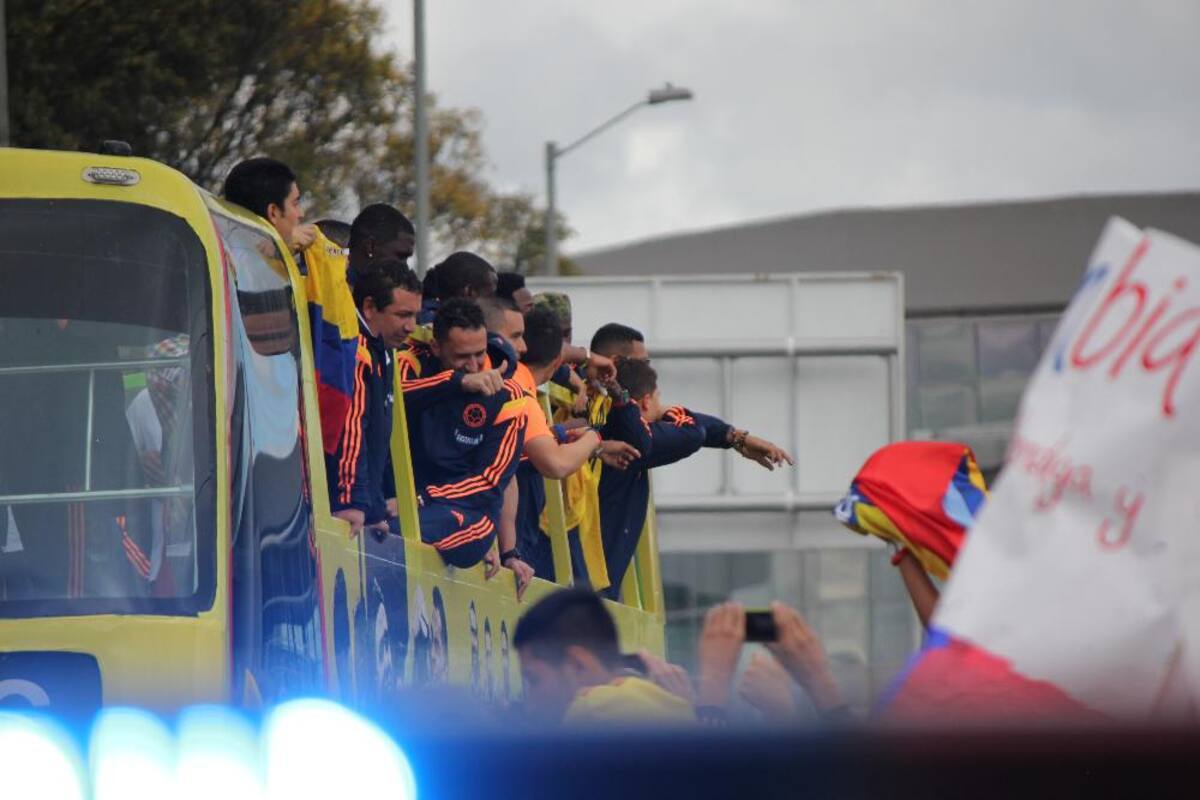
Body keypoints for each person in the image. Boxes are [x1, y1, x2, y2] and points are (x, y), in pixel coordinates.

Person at [480, 299, 638, 580]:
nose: (521, 345)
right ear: (556, 362)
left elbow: (518, 445)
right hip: (482, 530)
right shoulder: (519, 393)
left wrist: (587, 358)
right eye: (515, 336)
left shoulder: (495, 369)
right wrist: (594, 437)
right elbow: (555, 464)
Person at [398, 299, 531, 570]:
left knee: (403, 530)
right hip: (402, 500)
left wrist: (423, 498)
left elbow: (490, 481)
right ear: (436, 347)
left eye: (479, 354)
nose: (472, 366)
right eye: (462, 357)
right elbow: (392, 396)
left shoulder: (508, 396)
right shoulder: (411, 364)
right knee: (388, 528)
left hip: (468, 513)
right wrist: (456, 383)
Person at [589, 322, 794, 470]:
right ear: (615, 362)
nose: (647, 369)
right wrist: (659, 409)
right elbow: (692, 432)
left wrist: (735, 437)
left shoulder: (598, 403)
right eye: (643, 362)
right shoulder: (619, 420)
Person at [597, 359, 708, 596]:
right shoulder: (632, 442)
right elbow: (694, 432)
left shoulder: (595, 420)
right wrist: (663, 410)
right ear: (647, 401)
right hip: (595, 581)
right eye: (658, 399)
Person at [327, 261, 421, 531]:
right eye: (403, 315)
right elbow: (351, 427)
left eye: (415, 316)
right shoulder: (355, 347)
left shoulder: (384, 350)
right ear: (369, 307)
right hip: (343, 507)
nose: (411, 327)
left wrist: (374, 509)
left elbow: (375, 441)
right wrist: (352, 502)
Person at [513, 588, 696, 725]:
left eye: (534, 680)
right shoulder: (674, 705)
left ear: (578, 665)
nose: (531, 705)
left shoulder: (590, 710)